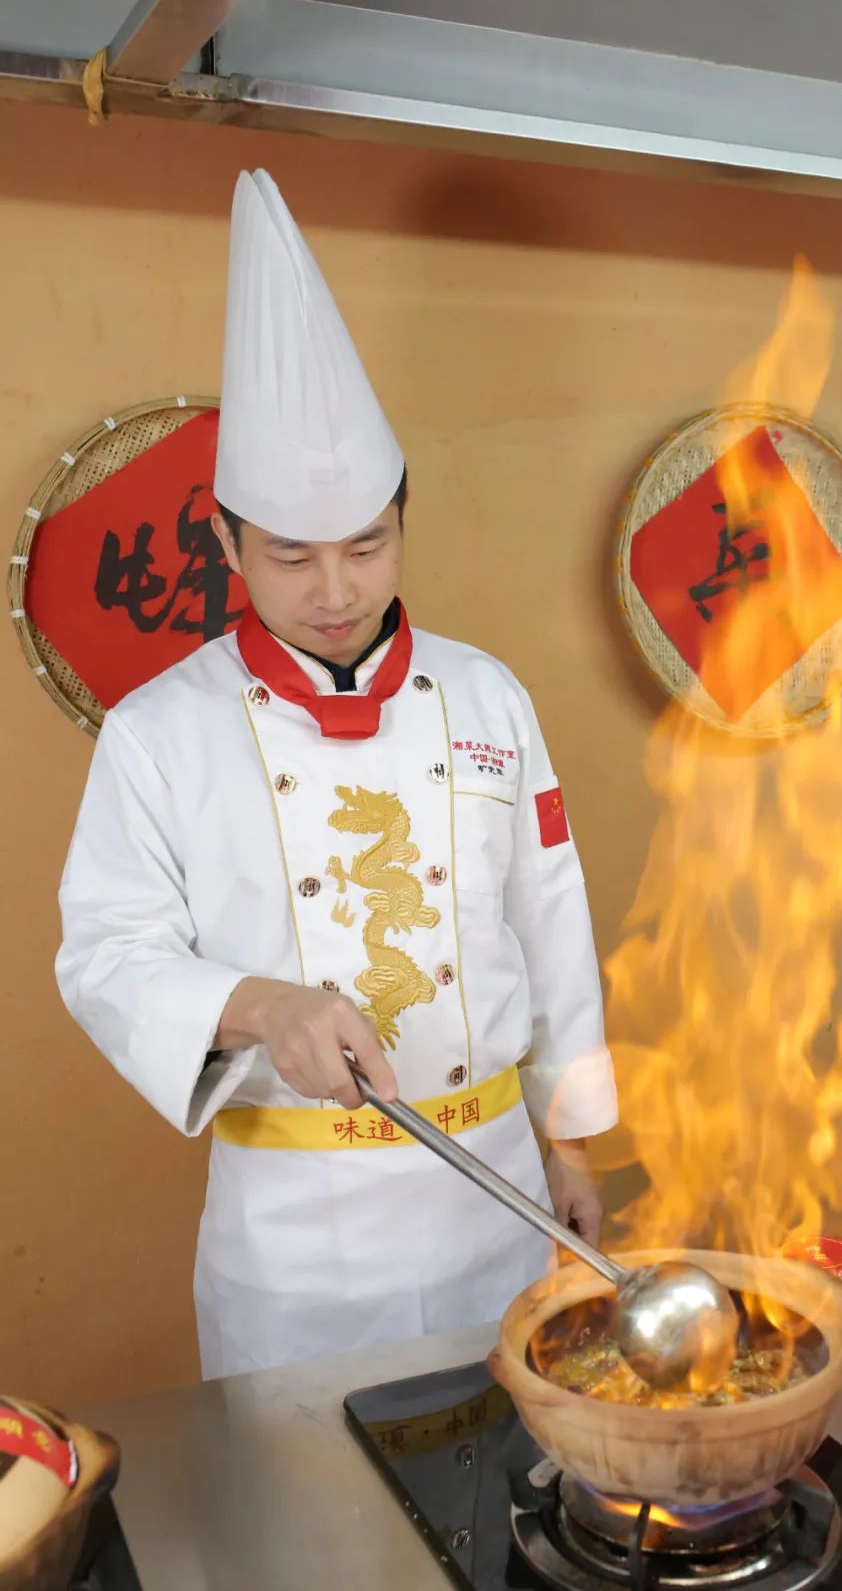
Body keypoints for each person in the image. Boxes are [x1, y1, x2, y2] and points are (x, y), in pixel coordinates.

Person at [56, 169, 618, 1379]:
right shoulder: (159, 733)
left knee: (519, 1506)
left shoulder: (487, 697)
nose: (334, 591)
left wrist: (573, 1143)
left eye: (366, 546)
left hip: (500, 1203)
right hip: (296, 1240)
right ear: (223, 541)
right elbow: (105, 952)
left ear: (404, 523)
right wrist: (265, 1005)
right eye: (291, 555)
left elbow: (549, 916)